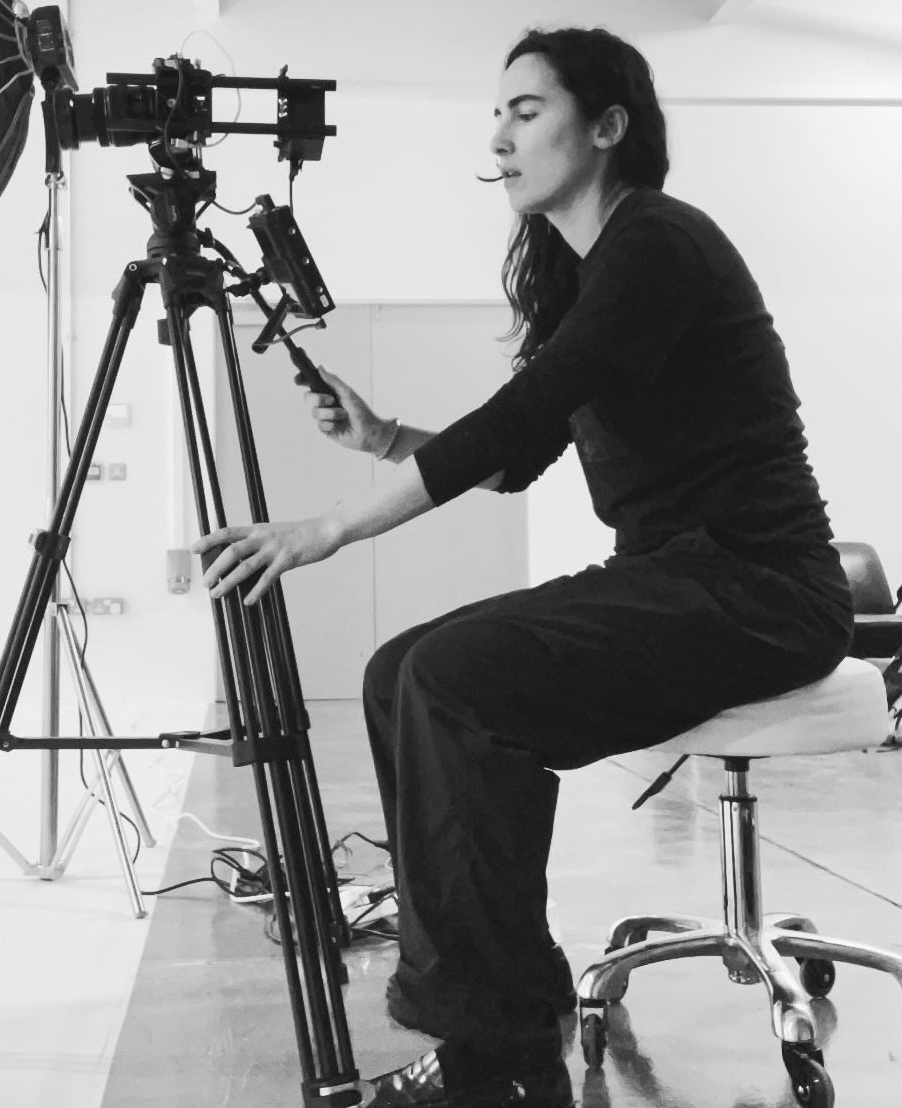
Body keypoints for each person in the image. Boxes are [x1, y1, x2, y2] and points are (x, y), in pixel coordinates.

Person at [191, 25, 854, 1108]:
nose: (498, 136)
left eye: (526, 110)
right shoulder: (591, 276)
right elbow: (520, 457)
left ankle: (491, 1061)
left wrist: (326, 529)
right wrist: (385, 437)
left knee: (452, 681)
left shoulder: (659, 243)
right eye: (495, 114)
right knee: (396, 673)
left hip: (758, 588)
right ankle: (509, 997)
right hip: (676, 575)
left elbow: (517, 417)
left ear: (607, 126)